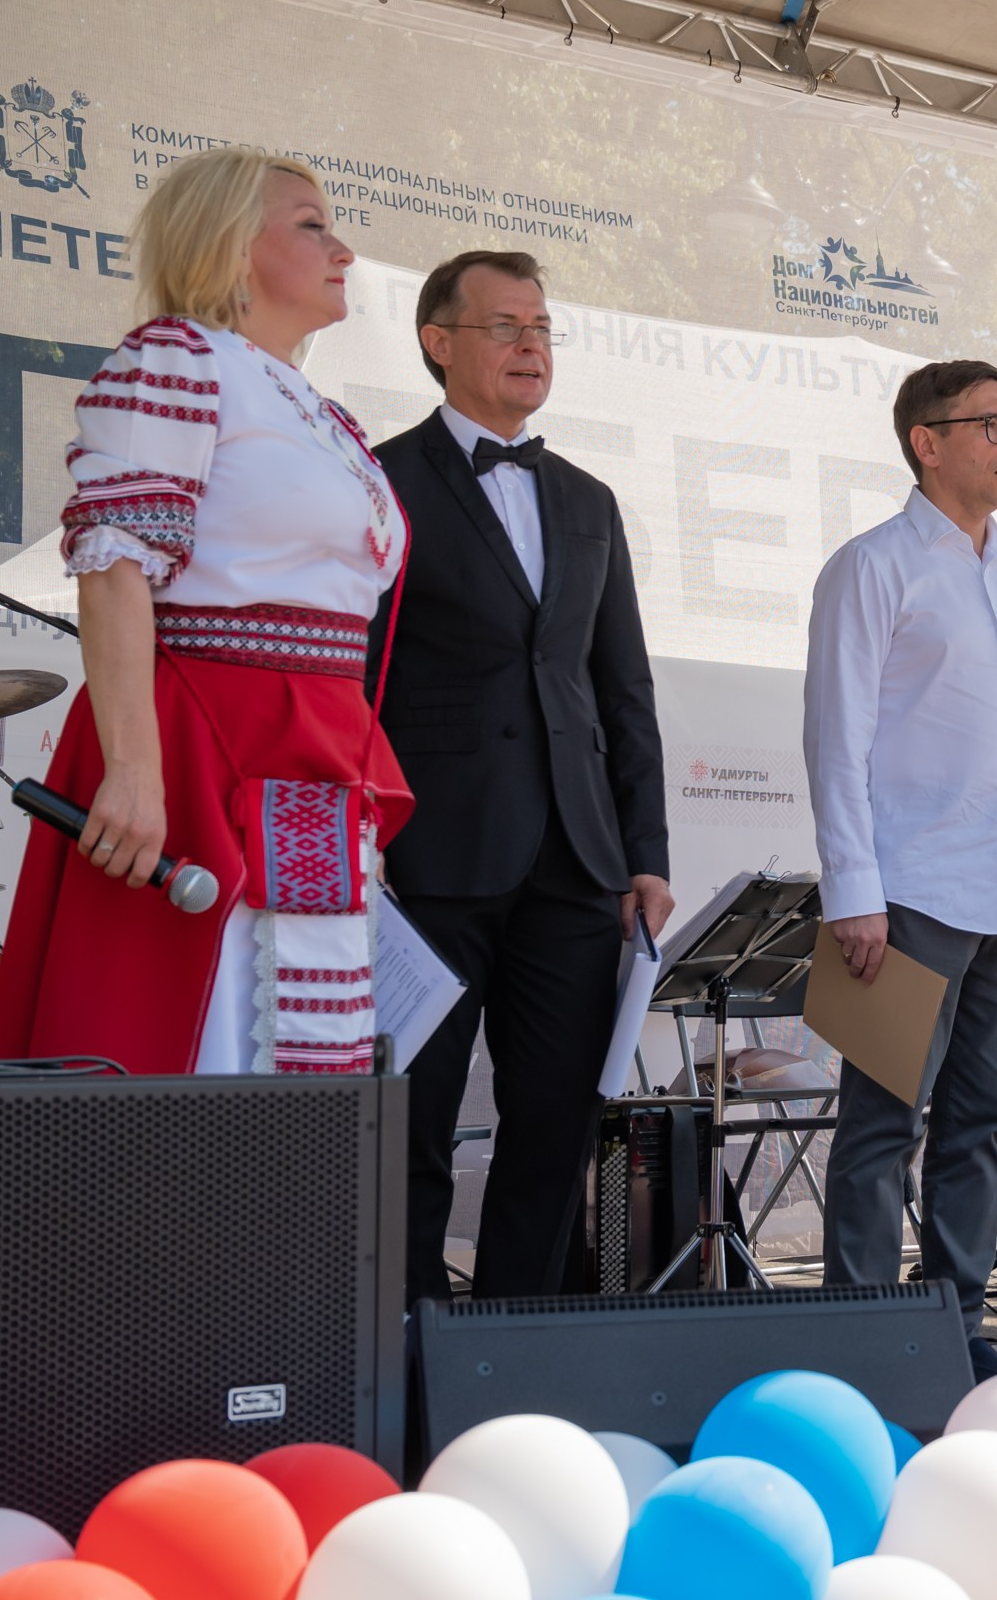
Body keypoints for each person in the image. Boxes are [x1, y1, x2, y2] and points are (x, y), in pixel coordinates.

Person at [0, 148, 410, 1075]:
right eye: (310, 224)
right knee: (196, 1027)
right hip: (201, 739)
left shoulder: (321, 412)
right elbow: (113, 567)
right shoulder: (176, 357)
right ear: (230, 243)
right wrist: (136, 770)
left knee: (299, 1044)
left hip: (316, 751)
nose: (342, 247)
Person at [370, 249, 671, 1305]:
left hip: (578, 861)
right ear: (438, 342)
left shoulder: (587, 497)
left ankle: (512, 1346)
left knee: (555, 1123)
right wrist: (364, 837)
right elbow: (354, 674)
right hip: (429, 856)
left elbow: (620, 684)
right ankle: (405, 1345)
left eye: (540, 324)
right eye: (503, 325)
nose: (530, 343)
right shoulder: (379, 480)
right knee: (410, 1120)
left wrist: (646, 854)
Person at [804, 359, 997, 1381]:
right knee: (880, 1121)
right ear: (927, 442)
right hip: (901, 894)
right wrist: (851, 888)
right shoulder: (872, 565)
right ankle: (858, 1332)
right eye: (989, 424)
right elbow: (833, 736)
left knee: (980, 1122)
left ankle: (949, 1320)